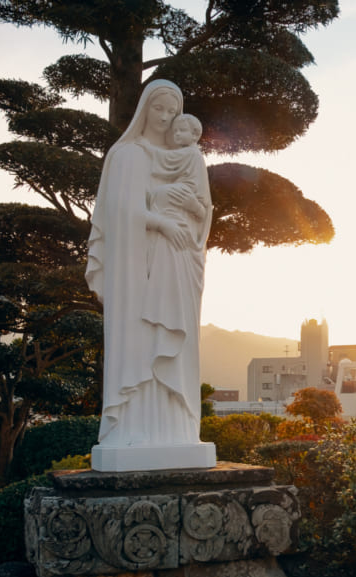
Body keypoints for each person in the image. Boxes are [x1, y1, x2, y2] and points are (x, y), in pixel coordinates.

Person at [86, 79, 214, 466]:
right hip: (139, 271)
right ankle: (131, 428)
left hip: (176, 262)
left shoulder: (189, 157)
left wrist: (187, 212)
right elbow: (122, 212)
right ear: (145, 108)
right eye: (158, 108)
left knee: (175, 337)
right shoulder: (128, 155)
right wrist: (160, 218)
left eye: (172, 112)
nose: (164, 117)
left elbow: (203, 211)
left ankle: (176, 427)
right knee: (142, 338)